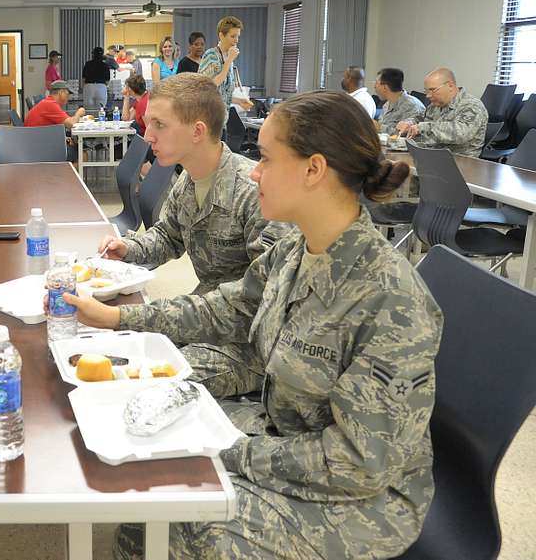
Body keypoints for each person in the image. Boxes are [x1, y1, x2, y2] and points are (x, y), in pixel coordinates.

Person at [68, 90, 442, 560]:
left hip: (363, 502)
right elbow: (224, 309)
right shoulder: (293, 252)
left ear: (314, 169)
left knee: (179, 519)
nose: (255, 171)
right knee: (147, 456)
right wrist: (124, 319)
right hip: (287, 435)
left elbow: (357, 464)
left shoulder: (389, 300)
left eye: (265, 158)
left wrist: (229, 450)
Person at [97, 72, 286, 397]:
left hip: (250, 342)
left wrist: (126, 316)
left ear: (197, 131)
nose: (148, 135)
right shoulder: (188, 181)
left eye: (159, 125)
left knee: (151, 383)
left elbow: (254, 305)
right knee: (120, 354)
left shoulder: (252, 192)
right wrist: (126, 248)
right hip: (205, 317)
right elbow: (168, 237)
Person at [397, 67, 488, 157]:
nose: (428, 95)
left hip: (460, 160)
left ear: (450, 86)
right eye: (426, 91)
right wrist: (409, 123)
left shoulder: (472, 105)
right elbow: (421, 119)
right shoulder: (435, 105)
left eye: (432, 90)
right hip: (432, 155)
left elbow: (461, 133)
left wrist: (423, 127)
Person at [199, 16, 254, 111]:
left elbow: (222, 94)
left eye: (238, 36)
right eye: (233, 36)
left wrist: (239, 101)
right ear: (221, 36)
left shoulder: (228, 57)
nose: (236, 40)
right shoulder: (211, 55)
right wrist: (229, 61)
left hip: (222, 116)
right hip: (208, 114)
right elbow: (210, 86)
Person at [375, 67, 425, 135]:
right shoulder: (387, 104)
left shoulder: (412, 106)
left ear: (385, 87)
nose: (374, 86)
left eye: (376, 83)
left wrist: (379, 127)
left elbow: (407, 133)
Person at [81, 46, 111, 115]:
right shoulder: (105, 65)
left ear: (93, 55)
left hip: (89, 86)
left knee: (88, 110)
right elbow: (107, 81)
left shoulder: (88, 64)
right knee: (101, 109)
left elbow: (83, 79)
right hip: (101, 87)